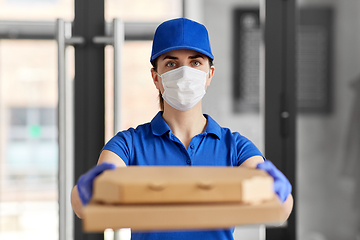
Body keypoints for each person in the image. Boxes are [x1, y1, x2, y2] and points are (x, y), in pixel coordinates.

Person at [71, 17, 293, 240]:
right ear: (156, 78)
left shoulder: (235, 146)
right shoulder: (128, 144)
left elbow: (281, 208)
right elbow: (81, 206)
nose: (185, 73)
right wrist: (90, 189)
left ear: (209, 75)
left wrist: (277, 190)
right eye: (171, 64)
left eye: (195, 62)